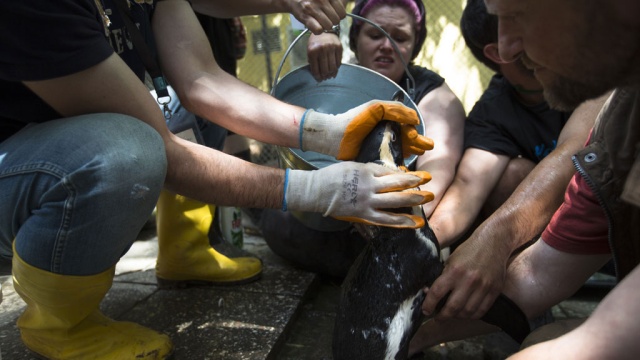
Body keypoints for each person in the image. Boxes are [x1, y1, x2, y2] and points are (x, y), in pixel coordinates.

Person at [0, 0, 437, 358]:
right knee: (128, 152)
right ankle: (60, 325)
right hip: (18, 170)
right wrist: (318, 189)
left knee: (179, 111)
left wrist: (329, 130)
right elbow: (167, 154)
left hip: (52, 146)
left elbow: (203, 81)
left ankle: (186, 251)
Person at [409, 0, 640, 357]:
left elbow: (570, 150)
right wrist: (414, 334)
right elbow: (539, 273)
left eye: (517, 15)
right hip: (602, 248)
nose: (506, 49)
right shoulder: (621, 120)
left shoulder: (604, 96)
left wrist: (498, 234)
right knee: (540, 341)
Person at [258, 0, 466, 278]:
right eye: (375, 34)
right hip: (325, 211)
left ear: (415, 46)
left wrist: (389, 215)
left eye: (399, 37)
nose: (386, 46)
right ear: (355, 38)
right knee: (279, 218)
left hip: (386, 221)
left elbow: (436, 174)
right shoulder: (335, 80)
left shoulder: (433, 96)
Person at [427, 0, 573, 251]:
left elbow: (576, 148)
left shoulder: (588, 68)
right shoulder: (492, 113)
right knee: (511, 175)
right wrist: (419, 243)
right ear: (500, 50)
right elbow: (468, 187)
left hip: (611, 205)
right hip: (560, 228)